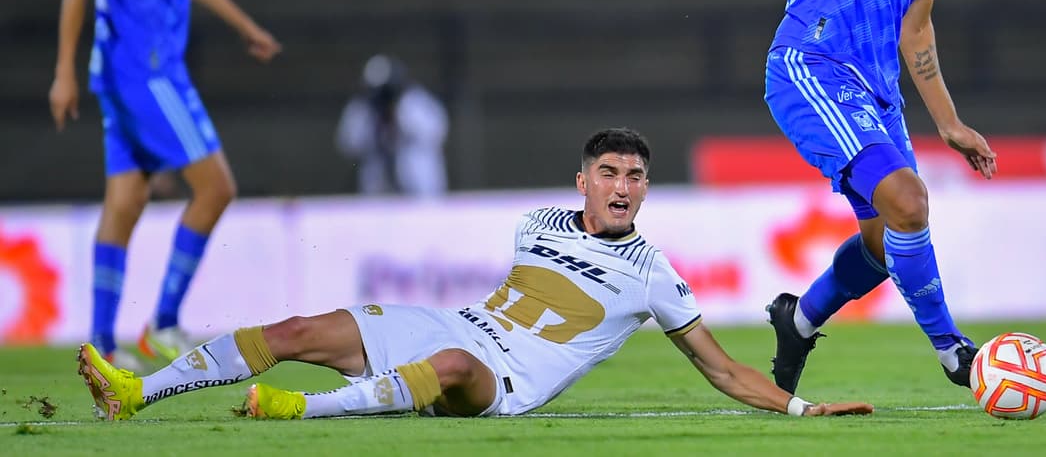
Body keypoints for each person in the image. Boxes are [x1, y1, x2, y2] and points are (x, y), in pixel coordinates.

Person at [76, 128, 874, 421]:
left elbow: (722, 366)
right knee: (297, 327)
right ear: (583, 181)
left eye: (636, 175)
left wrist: (803, 407)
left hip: (507, 379)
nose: (625, 185)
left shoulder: (653, 272)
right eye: (610, 171)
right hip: (455, 325)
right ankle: (136, 390)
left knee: (455, 368)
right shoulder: (534, 224)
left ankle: (300, 411)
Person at [762, 0, 1004, 394]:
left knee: (881, 240)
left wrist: (949, 122)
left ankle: (800, 320)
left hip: (876, 90)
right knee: (909, 201)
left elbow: (916, 27)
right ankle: (952, 347)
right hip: (812, 60)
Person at [49, 0, 282, 370]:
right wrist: (63, 73)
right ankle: (165, 324)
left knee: (125, 201)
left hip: (150, 69)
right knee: (217, 186)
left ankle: (101, 346)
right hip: (142, 72)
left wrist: (242, 23)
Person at [335, 54, 449, 195]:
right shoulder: (363, 108)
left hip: (418, 182)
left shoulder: (415, 102)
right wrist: (373, 125)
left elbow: (436, 132)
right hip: (378, 185)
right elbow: (348, 144)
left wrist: (400, 117)